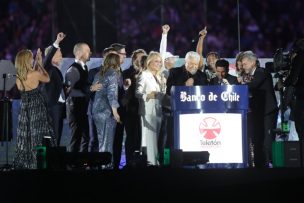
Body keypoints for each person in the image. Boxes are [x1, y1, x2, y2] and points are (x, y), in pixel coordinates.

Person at [13, 48, 55, 169]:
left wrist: (37, 63)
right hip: (37, 106)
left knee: (27, 133)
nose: (32, 59)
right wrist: (40, 64)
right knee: (39, 132)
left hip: (25, 107)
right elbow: (47, 78)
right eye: (31, 58)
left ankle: (28, 161)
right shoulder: (35, 74)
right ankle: (39, 160)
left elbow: (31, 77)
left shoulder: (18, 78)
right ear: (26, 60)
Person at [241, 51, 278, 168]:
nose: (243, 67)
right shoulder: (253, 74)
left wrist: (240, 84)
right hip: (258, 112)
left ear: (252, 63)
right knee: (258, 139)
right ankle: (260, 165)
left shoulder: (261, 72)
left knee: (266, 140)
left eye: (245, 64)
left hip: (267, 112)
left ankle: (267, 166)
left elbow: (252, 85)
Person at [135, 51, 165, 165]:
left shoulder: (158, 76)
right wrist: (148, 95)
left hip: (158, 111)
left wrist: (163, 85)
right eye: (156, 61)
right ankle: (149, 163)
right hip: (147, 111)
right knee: (148, 139)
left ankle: (154, 162)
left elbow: (161, 94)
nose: (159, 64)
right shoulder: (144, 75)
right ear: (149, 62)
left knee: (155, 139)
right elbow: (137, 93)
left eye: (160, 62)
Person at [92, 53, 121, 168]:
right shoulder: (113, 74)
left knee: (101, 140)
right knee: (107, 142)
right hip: (106, 112)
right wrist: (115, 112)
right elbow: (112, 95)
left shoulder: (99, 74)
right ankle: (106, 167)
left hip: (97, 111)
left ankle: (102, 165)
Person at [87, 47, 115, 152]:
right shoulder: (94, 72)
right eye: (111, 56)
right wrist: (92, 88)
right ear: (105, 57)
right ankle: (91, 165)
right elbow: (87, 90)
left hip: (110, 113)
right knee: (94, 139)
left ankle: (108, 165)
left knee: (108, 140)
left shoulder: (116, 73)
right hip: (95, 111)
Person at [65, 43, 91, 152]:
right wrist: (89, 89)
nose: (90, 53)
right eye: (87, 50)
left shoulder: (83, 68)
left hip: (82, 108)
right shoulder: (73, 70)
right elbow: (70, 91)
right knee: (76, 137)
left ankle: (81, 163)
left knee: (85, 136)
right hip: (75, 108)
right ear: (79, 53)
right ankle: (72, 164)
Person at [123, 49, 147, 166]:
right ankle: (129, 162)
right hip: (131, 110)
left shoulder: (148, 73)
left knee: (143, 138)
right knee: (131, 137)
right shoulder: (127, 73)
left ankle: (141, 163)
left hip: (145, 111)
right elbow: (125, 89)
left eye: (144, 58)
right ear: (134, 59)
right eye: (140, 58)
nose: (142, 60)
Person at [41, 32, 66, 146]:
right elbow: (46, 60)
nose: (61, 55)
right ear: (52, 55)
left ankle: (55, 161)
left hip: (58, 108)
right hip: (51, 108)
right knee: (52, 137)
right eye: (59, 53)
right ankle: (49, 162)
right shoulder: (47, 68)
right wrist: (57, 42)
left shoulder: (57, 71)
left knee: (57, 137)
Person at [110, 43, 131, 169]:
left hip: (119, 112)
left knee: (117, 142)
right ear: (116, 54)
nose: (125, 56)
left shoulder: (119, 70)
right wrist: (115, 112)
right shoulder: (111, 71)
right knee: (112, 142)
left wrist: (125, 87)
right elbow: (111, 94)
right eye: (123, 54)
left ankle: (116, 166)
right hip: (112, 113)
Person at [284, 38, 304, 165]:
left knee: (301, 130)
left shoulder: (301, 56)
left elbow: (293, 77)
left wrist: (285, 82)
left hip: (302, 98)